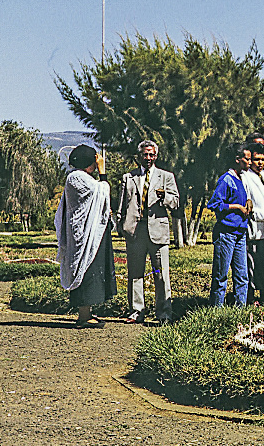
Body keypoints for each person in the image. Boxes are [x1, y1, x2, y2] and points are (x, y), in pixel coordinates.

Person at [115, 140, 180, 325]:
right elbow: (122, 204)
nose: (148, 158)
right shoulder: (129, 177)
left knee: (160, 274)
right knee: (135, 273)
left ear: (156, 156)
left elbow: (176, 202)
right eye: (145, 154)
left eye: (151, 154)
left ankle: (164, 314)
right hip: (136, 232)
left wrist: (164, 197)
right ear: (139, 156)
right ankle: (136, 311)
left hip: (158, 232)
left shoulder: (166, 176)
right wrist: (120, 225)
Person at [55, 145, 116, 329]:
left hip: (90, 232)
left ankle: (87, 313)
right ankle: (84, 316)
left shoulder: (82, 178)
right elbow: (102, 191)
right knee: (86, 270)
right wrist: (103, 172)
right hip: (83, 235)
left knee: (91, 269)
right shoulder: (77, 177)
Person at [206, 144, 252, 307]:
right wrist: (236, 207)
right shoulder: (226, 179)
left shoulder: (242, 179)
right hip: (226, 233)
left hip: (240, 233)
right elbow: (214, 204)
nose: (250, 162)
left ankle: (240, 309)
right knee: (221, 275)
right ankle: (216, 309)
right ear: (237, 159)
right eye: (247, 159)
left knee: (242, 275)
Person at [241, 143, 264, 304]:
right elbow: (247, 205)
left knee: (263, 265)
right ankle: (249, 296)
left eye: (263, 159)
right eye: (256, 159)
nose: (260, 163)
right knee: (250, 265)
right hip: (253, 229)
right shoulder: (245, 177)